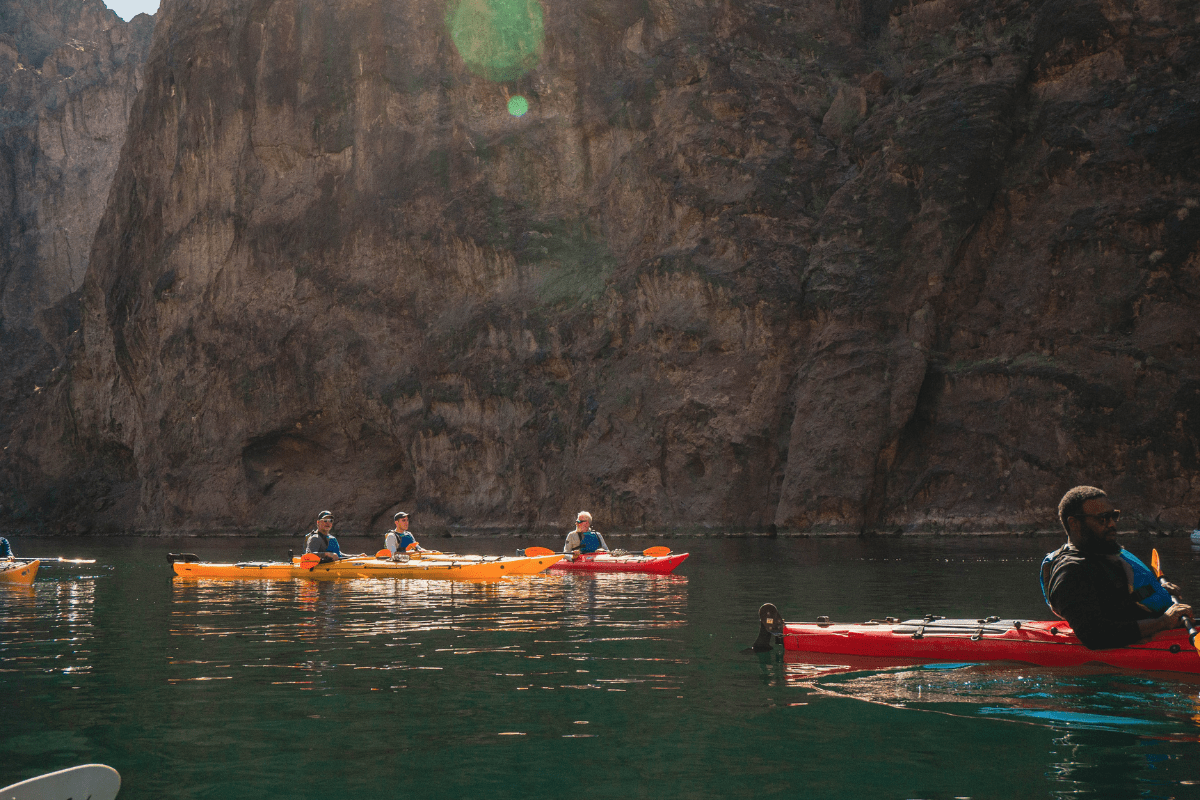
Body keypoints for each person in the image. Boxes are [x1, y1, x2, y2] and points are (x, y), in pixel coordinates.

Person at [1040, 485, 1192, 650]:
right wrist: (1163, 622)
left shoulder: (1102, 552)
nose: (1112, 524)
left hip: (1164, 633)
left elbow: (1118, 597)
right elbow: (1094, 635)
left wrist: (1157, 590)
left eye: (1113, 516)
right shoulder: (1069, 571)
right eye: (1103, 518)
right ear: (1074, 523)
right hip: (1137, 647)